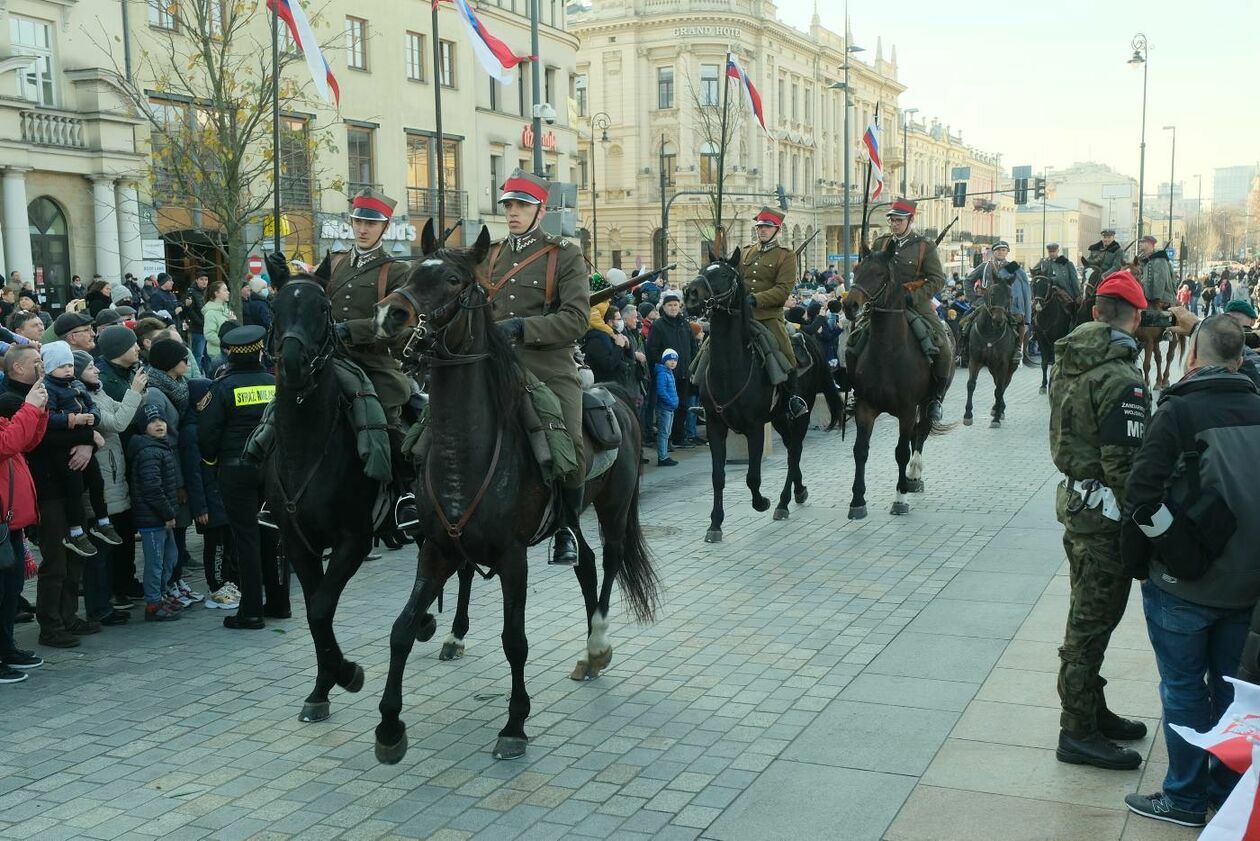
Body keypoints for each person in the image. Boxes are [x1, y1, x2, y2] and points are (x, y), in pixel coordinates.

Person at [1121, 315, 1260, 828]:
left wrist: (1177, 552)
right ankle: (1226, 791)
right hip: (1247, 588)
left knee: (1182, 689)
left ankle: (1182, 798)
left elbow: (1141, 496)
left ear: (1193, 357)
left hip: (1182, 588)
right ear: (1240, 359)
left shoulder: (1177, 411)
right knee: (1229, 692)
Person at [1049, 269, 1151, 771]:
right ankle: (1077, 731)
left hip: (1077, 507)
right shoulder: (1122, 379)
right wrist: (1152, 524)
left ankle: (1092, 707)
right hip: (1106, 518)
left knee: (1090, 616)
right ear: (1134, 318)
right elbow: (1123, 467)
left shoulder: (1068, 361)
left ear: (1095, 314)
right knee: (1090, 625)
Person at [485, 171, 589, 566]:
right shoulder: (491, 254)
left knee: (570, 446)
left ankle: (566, 527)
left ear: (540, 210)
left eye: (522, 206)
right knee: (431, 424)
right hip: (493, 365)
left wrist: (523, 328)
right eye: (508, 205)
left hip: (546, 364)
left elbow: (576, 319)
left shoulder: (564, 254)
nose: (513, 213)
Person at [3, 344, 100, 647]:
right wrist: (85, 436)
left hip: (67, 483)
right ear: (18, 368)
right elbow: (41, 437)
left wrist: (87, 437)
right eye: (36, 362)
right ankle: (51, 623)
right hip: (44, 488)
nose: (42, 367)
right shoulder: (11, 399)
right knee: (55, 557)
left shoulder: (47, 391)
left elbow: (85, 417)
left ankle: (68, 615)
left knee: (75, 553)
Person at [198, 326, 287, 628]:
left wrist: (212, 463)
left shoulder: (221, 387)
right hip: (274, 469)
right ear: (261, 351)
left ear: (229, 354)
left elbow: (207, 435)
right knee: (273, 534)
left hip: (236, 470)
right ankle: (278, 602)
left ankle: (250, 611)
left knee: (246, 537)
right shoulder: (276, 383)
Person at [852, 198, 952, 421]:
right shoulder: (881, 243)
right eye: (892, 220)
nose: (894, 224)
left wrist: (913, 297)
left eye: (899, 220)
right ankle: (855, 392)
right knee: (852, 342)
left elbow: (937, 280)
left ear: (910, 220)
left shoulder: (925, 246)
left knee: (943, 348)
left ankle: (934, 398)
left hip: (914, 304)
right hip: (882, 307)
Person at [40, 341, 122, 558]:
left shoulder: (76, 384)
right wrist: (73, 419)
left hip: (83, 439)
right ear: (48, 367)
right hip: (63, 448)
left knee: (97, 481)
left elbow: (90, 404)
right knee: (74, 488)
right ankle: (75, 531)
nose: (67, 369)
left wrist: (93, 415)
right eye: (61, 366)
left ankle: (102, 521)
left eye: (69, 364)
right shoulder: (48, 388)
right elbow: (48, 418)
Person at [0, 378, 47, 682]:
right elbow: (10, 443)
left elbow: (28, 441)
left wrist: (39, 411)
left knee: (10, 592)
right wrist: (30, 406)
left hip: (11, 527)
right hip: (3, 527)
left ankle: (6, 648)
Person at [742, 207, 808, 419]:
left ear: (777, 230)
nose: (762, 230)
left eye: (767, 227)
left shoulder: (785, 256)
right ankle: (705, 396)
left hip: (767, 316)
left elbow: (782, 289)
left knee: (785, 352)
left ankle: (792, 398)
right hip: (742, 314)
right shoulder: (746, 251)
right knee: (710, 345)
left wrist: (757, 299)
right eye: (760, 226)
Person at [128, 403, 181, 622]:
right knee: (156, 562)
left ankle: (160, 594)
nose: (158, 424)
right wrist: (168, 513)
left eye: (161, 420)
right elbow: (152, 488)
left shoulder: (160, 446)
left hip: (161, 517)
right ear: (143, 426)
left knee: (170, 557)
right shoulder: (149, 451)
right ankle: (153, 603)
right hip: (153, 519)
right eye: (152, 421)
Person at [965, 241, 1034, 365]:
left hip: (1008, 305)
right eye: (998, 250)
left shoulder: (1014, 268)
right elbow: (968, 281)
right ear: (993, 252)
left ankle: (1018, 349)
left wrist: (1024, 308)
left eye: (1003, 250)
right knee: (966, 321)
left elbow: (1025, 289)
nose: (1001, 252)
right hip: (988, 305)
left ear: (1007, 252)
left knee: (1019, 321)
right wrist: (974, 299)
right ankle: (963, 349)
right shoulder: (985, 266)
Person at [644, 289, 697, 446]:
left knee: (683, 406)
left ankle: (679, 437)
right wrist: (662, 365)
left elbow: (692, 346)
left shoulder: (684, 323)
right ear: (664, 307)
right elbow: (651, 349)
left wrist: (692, 366)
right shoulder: (658, 326)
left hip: (684, 372)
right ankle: (665, 442)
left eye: (676, 305)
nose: (673, 308)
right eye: (670, 305)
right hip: (667, 374)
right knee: (667, 408)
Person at [654, 350, 680, 467]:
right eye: (670, 360)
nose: (673, 363)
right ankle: (662, 457)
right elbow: (661, 391)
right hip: (665, 408)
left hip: (670, 408)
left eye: (675, 360)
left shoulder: (669, 372)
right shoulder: (663, 373)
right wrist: (671, 402)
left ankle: (664, 455)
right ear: (664, 360)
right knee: (663, 433)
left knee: (667, 432)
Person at [1137, 236, 1176, 309]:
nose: (1140, 244)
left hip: (1160, 300)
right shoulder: (1145, 259)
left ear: (1149, 244)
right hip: (1149, 298)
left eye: (1143, 242)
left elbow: (1160, 280)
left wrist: (1156, 299)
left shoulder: (1159, 259)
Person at [201, 281, 233, 363]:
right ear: (216, 293)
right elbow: (209, 334)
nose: (228, 292)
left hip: (229, 352)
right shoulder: (210, 313)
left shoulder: (226, 310)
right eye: (225, 290)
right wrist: (225, 345)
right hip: (218, 354)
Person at [183, 274, 208, 370]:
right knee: (197, 355)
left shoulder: (206, 292)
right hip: (198, 329)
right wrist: (201, 322)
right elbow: (190, 311)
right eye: (201, 279)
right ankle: (196, 378)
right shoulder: (191, 292)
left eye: (206, 279)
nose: (204, 282)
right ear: (196, 280)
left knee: (209, 356)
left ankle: (209, 377)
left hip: (207, 328)